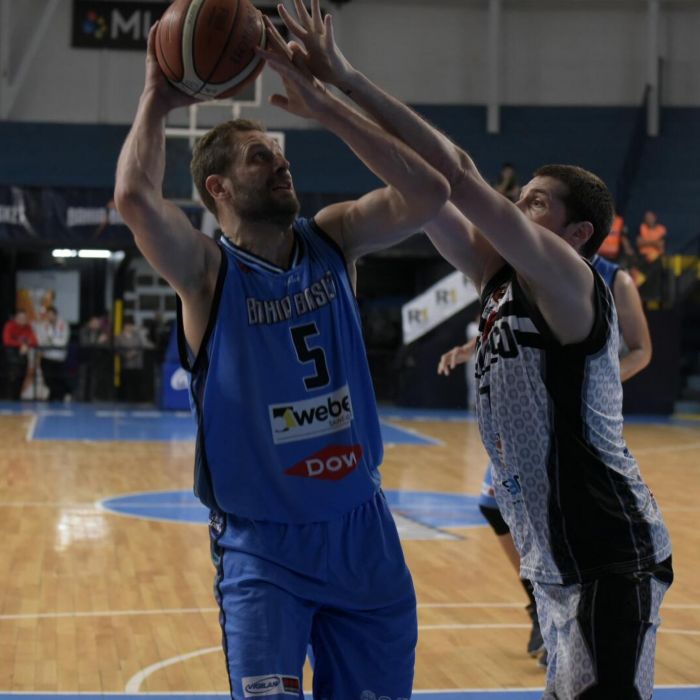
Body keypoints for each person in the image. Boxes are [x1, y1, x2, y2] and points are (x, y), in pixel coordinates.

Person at [275, 5, 672, 697]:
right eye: (519, 196)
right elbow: (428, 194)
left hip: (609, 552)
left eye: (536, 203)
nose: (516, 207)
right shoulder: (496, 278)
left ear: (577, 234)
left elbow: (455, 172)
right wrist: (329, 112)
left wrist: (344, 78)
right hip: (555, 563)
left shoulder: (570, 278)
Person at [114, 9, 449, 698]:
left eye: (279, 151)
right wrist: (155, 95)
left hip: (362, 531)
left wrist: (328, 106)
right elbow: (134, 199)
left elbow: (429, 193)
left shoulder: (334, 238)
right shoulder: (207, 274)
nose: (280, 162)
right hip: (264, 548)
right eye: (259, 156)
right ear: (218, 188)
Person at [437, 252, 653, 667]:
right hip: (528, 414)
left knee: (573, 521)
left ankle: (582, 621)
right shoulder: (530, 264)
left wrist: (589, 375)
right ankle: (540, 602)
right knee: (493, 505)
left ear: (579, 229)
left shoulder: (615, 280)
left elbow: (641, 351)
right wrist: (472, 347)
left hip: (578, 417)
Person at [34, 305, 70, 402]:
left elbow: (63, 342)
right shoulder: (43, 325)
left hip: (59, 358)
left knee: (58, 379)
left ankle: (58, 397)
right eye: (48, 315)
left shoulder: (63, 324)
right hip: (47, 357)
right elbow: (40, 340)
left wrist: (51, 340)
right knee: (48, 379)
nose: (50, 317)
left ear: (55, 315)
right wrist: (52, 340)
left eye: (52, 314)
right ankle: (54, 396)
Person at [2, 311, 38, 400]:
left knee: (21, 380)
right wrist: (22, 344)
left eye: (24, 318)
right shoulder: (10, 325)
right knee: (11, 380)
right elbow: (7, 341)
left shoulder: (28, 327)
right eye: (20, 318)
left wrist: (26, 345)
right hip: (11, 358)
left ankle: (17, 400)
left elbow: (34, 341)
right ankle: (8, 400)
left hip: (23, 359)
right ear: (16, 318)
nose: (23, 320)